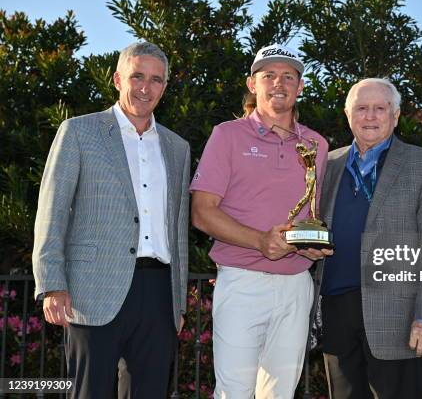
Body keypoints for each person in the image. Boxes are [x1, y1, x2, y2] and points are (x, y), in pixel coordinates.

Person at [32, 41, 190, 398]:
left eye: (156, 80)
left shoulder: (177, 147)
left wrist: (177, 302)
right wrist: (52, 282)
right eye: (137, 76)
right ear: (118, 79)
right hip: (92, 289)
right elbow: (52, 211)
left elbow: (178, 229)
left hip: (159, 295)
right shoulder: (79, 132)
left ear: (164, 87)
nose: (145, 87)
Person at [190, 43, 332, 398]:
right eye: (268, 75)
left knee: (280, 393)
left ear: (300, 87)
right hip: (242, 282)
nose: (278, 83)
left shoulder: (317, 144)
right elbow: (202, 212)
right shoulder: (227, 135)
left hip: (298, 283)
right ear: (253, 85)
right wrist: (260, 241)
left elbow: (312, 214)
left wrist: (311, 245)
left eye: (288, 76)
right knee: (234, 391)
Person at [312, 78, 422, 399]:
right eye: (361, 108)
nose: (370, 116)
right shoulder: (327, 164)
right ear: (348, 115)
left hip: (397, 314)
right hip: (335, 308)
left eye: (379, 108)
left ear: (396, 115)